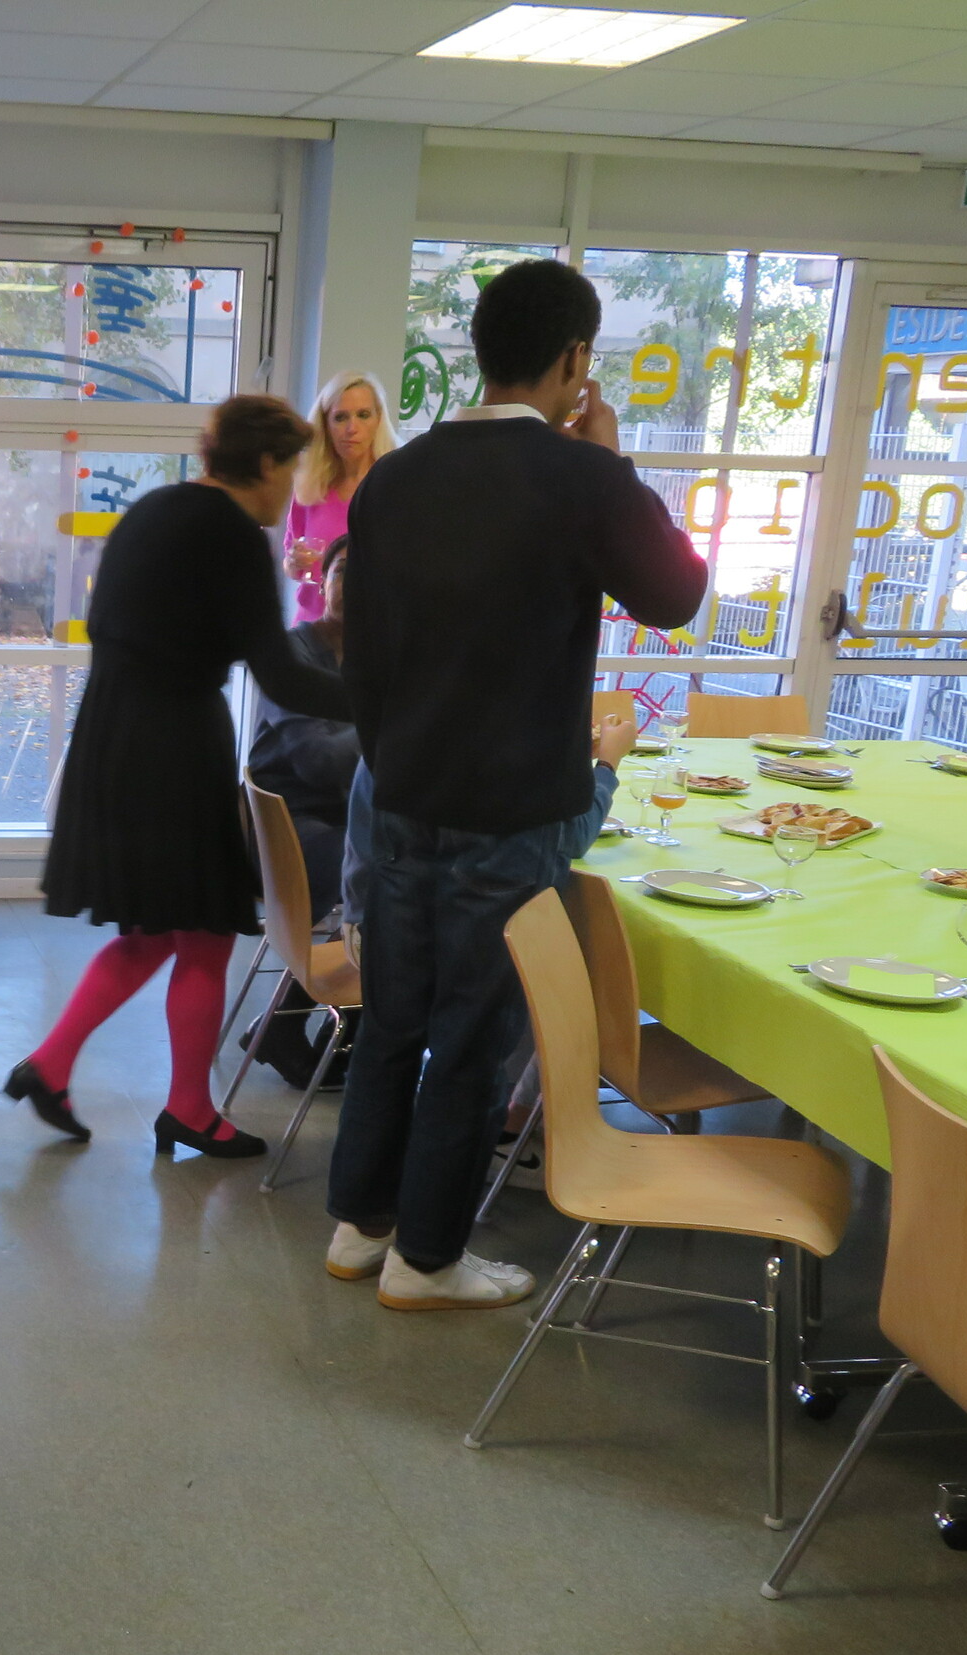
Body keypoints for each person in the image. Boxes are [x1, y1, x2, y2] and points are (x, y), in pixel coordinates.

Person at [326, 258, 705, 1310]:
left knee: (394, 1021)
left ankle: (362, 1225)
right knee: (474, 1038)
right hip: (511, 815)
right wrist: (616, 464)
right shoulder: (583, 480)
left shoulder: (396, 478)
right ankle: (429, 1260)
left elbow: (363, 655)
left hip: (403, 794)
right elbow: (676, 594)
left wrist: (395, 760)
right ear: (576, 359)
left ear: (480, 350)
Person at [6, 394, 349, 1159]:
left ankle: (55, 1066)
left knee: (162, 930)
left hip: (113, 736)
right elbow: (282, 676)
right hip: (173, 749)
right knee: (200, 933)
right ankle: (187, 1108)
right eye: (291, 466)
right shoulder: (233, 535)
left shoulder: (154, 510)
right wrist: (380, 703)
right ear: (265, 462)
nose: (292, 485)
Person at [241, 534, 360, 1089]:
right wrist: (393, 723)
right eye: (342, 570)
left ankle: (323, 1029)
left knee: (401, 865)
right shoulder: (292, 654)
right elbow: (318, 761)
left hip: (345, 820)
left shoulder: (388, 658)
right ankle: (323, 1028)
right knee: (392, 878)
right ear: (323, 580)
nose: (353, 584)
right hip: (288, 829)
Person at [282, 371, 393, 625]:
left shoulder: (395, 484)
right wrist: (294, 562)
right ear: (326, 425)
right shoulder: (311, 485)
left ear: (378, 420)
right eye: (340, 417)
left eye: (363, 415)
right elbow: (290, 564)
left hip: (373, 627)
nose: (352, 428)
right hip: (312, 627)